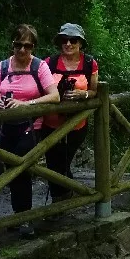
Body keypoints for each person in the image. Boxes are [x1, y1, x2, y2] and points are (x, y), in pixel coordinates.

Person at [0, 24, 59, 233]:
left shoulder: (39, 67)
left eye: (27, 46)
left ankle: (24, 217)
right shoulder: (3, 67)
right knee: (11, 169)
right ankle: (19, 215)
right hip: (6, 127)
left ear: (33, 47)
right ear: (13, 45)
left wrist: (26, 105)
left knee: (21, 167)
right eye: (18, 45)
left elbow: (54, 96)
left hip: (31, 126)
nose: (22, 50)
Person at [43, 23, 99, 205]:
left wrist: (82, 94)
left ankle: (62, 199)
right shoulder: (48, 63)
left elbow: (94, 92)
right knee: (52, 162)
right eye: (64, 40)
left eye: (73, 40)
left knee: (63, 161)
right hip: (49, 123)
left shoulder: (90, 64)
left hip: (76, 124)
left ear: (81, 43)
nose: (68, 44)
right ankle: (61, 198)